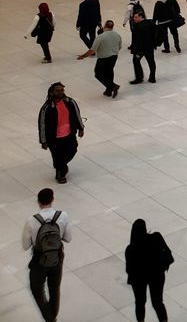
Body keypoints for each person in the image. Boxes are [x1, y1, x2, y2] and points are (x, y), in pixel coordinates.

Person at [23, 187, 71, 322]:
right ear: (53, 199)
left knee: (37, 290)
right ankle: (52, 317)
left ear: (38, 202)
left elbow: (25, 245)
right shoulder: (63, 216)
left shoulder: (31, 221)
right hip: (57, 258)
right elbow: (68, 238)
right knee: (54, 289)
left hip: (39, 260)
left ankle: (50, 319)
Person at [125, 218, 172, 321]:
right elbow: (168, 253)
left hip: (139, 279)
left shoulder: (130, 249)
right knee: (157, 302)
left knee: (140, 302)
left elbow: (129, 269)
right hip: (156, 275)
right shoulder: (156, 238)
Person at [37, 84, 84, 184]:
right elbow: (42, 125)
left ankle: (61, 165)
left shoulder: (70, 102)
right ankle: (60, 173)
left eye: (62, 90)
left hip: (69, 135)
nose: (61, 92)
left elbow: (77, 115)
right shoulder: (47, 108)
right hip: (54, 138)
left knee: (72, 150)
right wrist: (43, 141)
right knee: (57, 156)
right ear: (52, 92)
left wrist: (81, 128)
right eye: (58, 91)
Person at [76, 20, 122, 97]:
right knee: (109, 72)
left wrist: (83, 56)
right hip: (114, 57)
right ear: (112, 27)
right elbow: (119, 47)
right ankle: (108, 91)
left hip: (103, 58)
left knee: (98, 74)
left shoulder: (101, 37)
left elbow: (92, 50)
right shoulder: (117, 35)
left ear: (104, 26)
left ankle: (113, 86)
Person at [129, 8, 158, 85]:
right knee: (151, 61)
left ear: (141, 17)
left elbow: (137, 39)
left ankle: (139, 77)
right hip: (149, 47)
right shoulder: (150, 23)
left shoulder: (138, 27)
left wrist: (134, 49)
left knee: (136, 60)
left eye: (136, 17)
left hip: (141, 49)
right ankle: (152, 77)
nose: (134, 19)